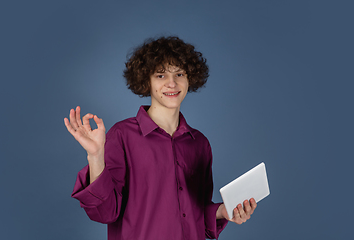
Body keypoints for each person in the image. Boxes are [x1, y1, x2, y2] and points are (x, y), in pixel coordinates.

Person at [64, 36, 257, 240]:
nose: (171, 83)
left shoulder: (199, 143)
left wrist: (223, 212)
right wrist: (95, 156)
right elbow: (105, 212)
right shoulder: (122, 136)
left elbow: (196, 212)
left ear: (190, 78)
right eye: (161, 75)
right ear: (146, 80)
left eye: (179, 74)